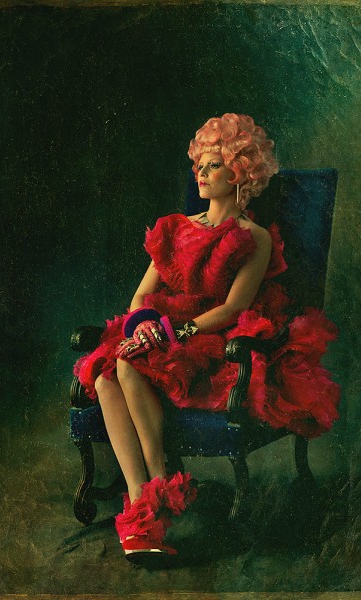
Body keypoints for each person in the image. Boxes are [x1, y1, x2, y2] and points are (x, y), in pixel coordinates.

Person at [74, 113, 340, 566]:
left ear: (240, 173)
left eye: (213, 165)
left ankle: (152, 495)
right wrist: (145, 326)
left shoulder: (254, 237)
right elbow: (141, 295)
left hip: (209, 335)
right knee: (106, 376)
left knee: (124, 366)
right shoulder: (175, 226)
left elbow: (234, 308)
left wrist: (173, 333)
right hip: (159, 326)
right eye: (199, 164)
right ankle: (145, 500)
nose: (200, 172)